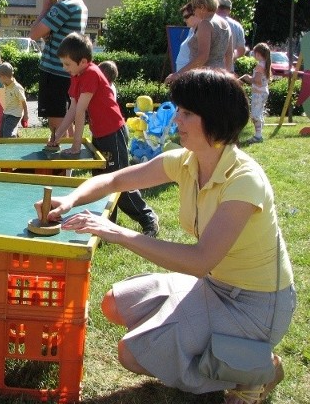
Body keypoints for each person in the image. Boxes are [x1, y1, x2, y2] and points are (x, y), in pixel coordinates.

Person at [36, 69, 295, 404]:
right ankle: (219, 351)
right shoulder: (185, 161)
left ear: (214, 119)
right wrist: (69, 199)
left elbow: (201, 260)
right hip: (214, 286)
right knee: (113, 304)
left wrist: (119, 233)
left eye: (186, 113)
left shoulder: (245, 180)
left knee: (131, 354)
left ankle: (255, 370)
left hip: (256, 306)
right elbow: (115, 181)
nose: (176, 121)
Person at [49, 32, 159, 237]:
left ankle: (147, 217)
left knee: (118, 181)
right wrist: (58, 135)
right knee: (100, 181)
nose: (65, 69)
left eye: (67, 64)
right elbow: (72, 109)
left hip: (113, 133)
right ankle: (107, 224)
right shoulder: (76, 76)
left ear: (83, 61)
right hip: (100, 134)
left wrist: (75, 147)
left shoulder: (91, 73)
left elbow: (81, 112)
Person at [29, 0, 88, 136]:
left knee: (55, 121)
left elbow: (34, 34)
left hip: (54, 72)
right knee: (65, 118)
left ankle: (58, 160)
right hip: (66, 72)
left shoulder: (64, 6)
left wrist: (45, 8)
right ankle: (67, 158)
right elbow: (56, 37)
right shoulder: (80, 5)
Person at [165, 0, 233, 83]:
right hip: (220, 78)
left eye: (194, 7)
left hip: (203, 78)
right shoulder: (225, 24)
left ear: (202, 7)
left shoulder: (205, 24)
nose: (194, 11)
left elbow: (202, 56)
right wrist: (227, 77)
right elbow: (229, 55)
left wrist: (178, 74)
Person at [239, 42, 271, 144]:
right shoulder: (266, 64)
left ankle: (258, 136)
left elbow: (257, 81)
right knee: (259, 113)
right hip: (263, 92)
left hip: (258, 93)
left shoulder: (259, 66)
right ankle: (259, 134)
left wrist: (247, 78)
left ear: (258, 53)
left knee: (255, 115)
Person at [0, 62, 29, 137]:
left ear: (3, 77)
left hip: (14, 114)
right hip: (6, 113)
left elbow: (23, 101)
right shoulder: (7, 84)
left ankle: (12, 143)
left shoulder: (17, 88)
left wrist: (26, 114)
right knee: (1, 134)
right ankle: (15, 135)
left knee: (7, 135)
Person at [217, 0, 246, 69]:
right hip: (228, 68)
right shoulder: (237, 26)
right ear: (229, 10)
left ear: (216, 7)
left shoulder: (209, 22)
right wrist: (231, 56)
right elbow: (241, 50)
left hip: (211, 68)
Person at [175, 3, 201, 72]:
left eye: (186, 17)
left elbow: (202, 57)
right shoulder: (191, 30)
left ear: (195, 14)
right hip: (185, 74)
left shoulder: (202, 31)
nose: (184, 20)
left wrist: (178, 74)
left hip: (191, 74)